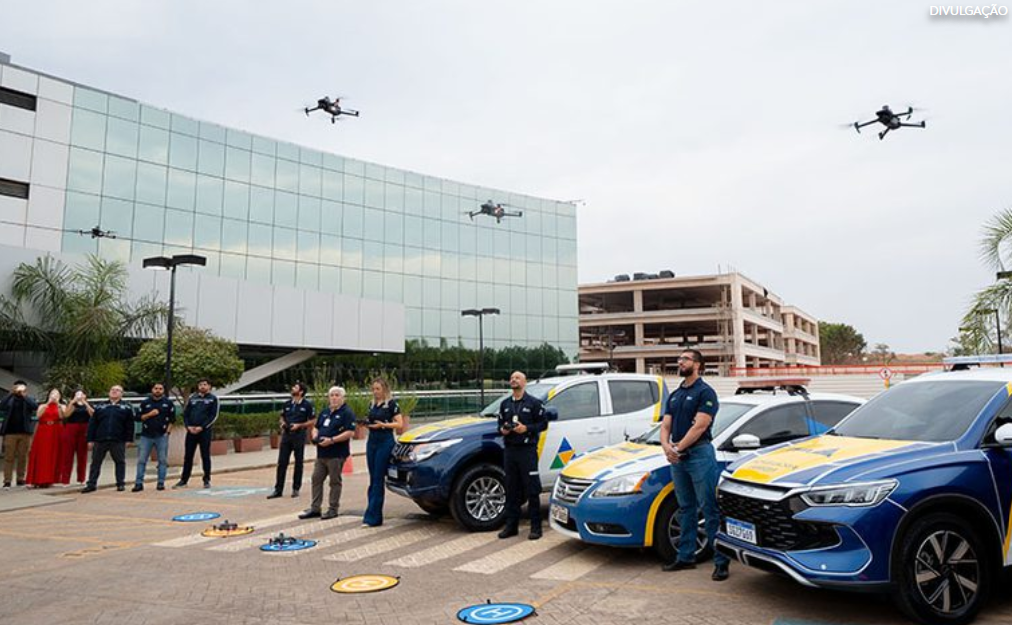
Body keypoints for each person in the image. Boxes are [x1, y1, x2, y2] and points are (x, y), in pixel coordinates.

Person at [659, 349, 730, 582]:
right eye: (678, 358)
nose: (680, 362)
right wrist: (666, 447)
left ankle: (721, 562)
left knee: (708, 508)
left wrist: (676, 449)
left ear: (697, 364)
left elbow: (700, 426)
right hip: (678, 458)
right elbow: (665, 425)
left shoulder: (705, 392)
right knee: (686, 508)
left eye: (685, 359)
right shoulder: (676, 395)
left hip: (699, 454)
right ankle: (685, 556)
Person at [497, 371, 548, 540]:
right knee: (511, 489)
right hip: (510, 450)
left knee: (532, 489)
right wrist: (503, 429)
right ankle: (511, 527)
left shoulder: (534, 403)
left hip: (527, 451)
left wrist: (526, 429)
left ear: (524, 382)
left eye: (517, 378)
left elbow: (543, 424)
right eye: (511, 378)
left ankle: (536, 528)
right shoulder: (505, 404)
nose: (513, 380)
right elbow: (500, 425)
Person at [299, 386, 356, 520]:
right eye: (332, 395)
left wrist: (332, 440)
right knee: (316, 479)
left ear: (343, 398)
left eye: (337, 395)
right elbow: (316, 427)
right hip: (321, 453)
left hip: (336, 453)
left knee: (334, 481)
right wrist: (315, 436)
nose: (334, 398)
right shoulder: (325, 412)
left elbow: (350, 432)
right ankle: (315, 508)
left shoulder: (347, 412)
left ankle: (333, 508)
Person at [363, 377, 403, 527]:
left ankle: (372, 517)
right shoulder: (372, 404)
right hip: (372, 440)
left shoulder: (392, 404)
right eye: (373, 389)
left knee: (378, 478)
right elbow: (370, 418)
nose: (375, 392)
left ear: (384, 389)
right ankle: (373, 514)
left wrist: (384, 425)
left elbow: (399, 423)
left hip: (385, 440)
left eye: (378, 389)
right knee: (373, 478)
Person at [81, 385, 136, 493]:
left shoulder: (127, 408)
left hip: (118, 440)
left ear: (121, 394)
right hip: (100, 439)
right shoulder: (100, 406)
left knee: (120, 462)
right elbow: (93, 424)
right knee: (96, 462)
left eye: (117, 390)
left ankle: (120, 483)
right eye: (112, 390)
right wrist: (90, 439)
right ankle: (91, 484)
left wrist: (129, 439)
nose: (114, 392)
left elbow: (130, 425)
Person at [268, 382, 315, 499]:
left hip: (299, 435)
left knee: (298, 462)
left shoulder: (307, 405)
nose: (292, 389)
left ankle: (296, 488)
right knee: (282, 463)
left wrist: (300, 425)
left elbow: (313, 421)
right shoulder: (287, 404)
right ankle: (278, 489)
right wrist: (283, 423)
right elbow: (282, 416)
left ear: (301, 392)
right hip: (286, 436)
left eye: (295, 388)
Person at [174, 378, 219, 490]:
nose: (202, 386)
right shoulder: (193, 398)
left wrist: (202, 427)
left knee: (205, 456)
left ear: (209, 386)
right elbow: (186, 414)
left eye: (205, 384)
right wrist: (188, 426)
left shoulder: (213, 399)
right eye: (200, 385)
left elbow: (213, 416)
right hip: (191, 432)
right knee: (188, 456)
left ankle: (206, 480)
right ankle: (184, 480)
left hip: (204, 432)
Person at [133, 383, 175, 492]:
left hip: (161, 436)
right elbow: (137, 417)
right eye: (156, 388)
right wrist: (149, 415)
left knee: (162, 460)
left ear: (163, 390)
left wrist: (167, 432)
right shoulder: (145, 403)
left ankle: (161, 483)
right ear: (152, 390)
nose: (158, 390)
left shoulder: (168, 403)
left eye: (160, 389)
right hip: (146, 436)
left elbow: (172, 419)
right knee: (142, 460)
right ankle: (138, 483)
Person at [1, 380, 37, 488]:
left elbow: (34, 406)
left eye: (22, 387)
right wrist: (11, 393)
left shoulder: (28, 399)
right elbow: (1, 406)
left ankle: (20, 478)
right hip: (10, 432)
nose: (19, 389)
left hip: (24, 432)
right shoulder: (9, 399)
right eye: (18, 387)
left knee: (23, 456)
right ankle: (7, 480)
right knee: (9, 457)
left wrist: (24, 396)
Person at [26, 389, 64, 488]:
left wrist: (58, 404)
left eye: (56, 394)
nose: (54, 395)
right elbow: (38, 415)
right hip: (43, 430)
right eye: (52, 393)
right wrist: (48, 403)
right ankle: (36, 479)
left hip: (55, 431)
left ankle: (50, 479)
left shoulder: (61, 406)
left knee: (53, 454)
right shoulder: (43, 405)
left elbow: (62, 416)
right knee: (41, 454)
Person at [60, 389, 93, 486]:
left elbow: (93, 414)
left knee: (82, 455)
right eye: (77, 394)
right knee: (67, 454)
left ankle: (81, 478)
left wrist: (85, 403)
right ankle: (65, 479)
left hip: (84, 428)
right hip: (71, 428)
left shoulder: (88, 405)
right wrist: (73, 402)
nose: (80, 395)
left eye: (82, 393)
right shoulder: (72, 404)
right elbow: (66, 414)